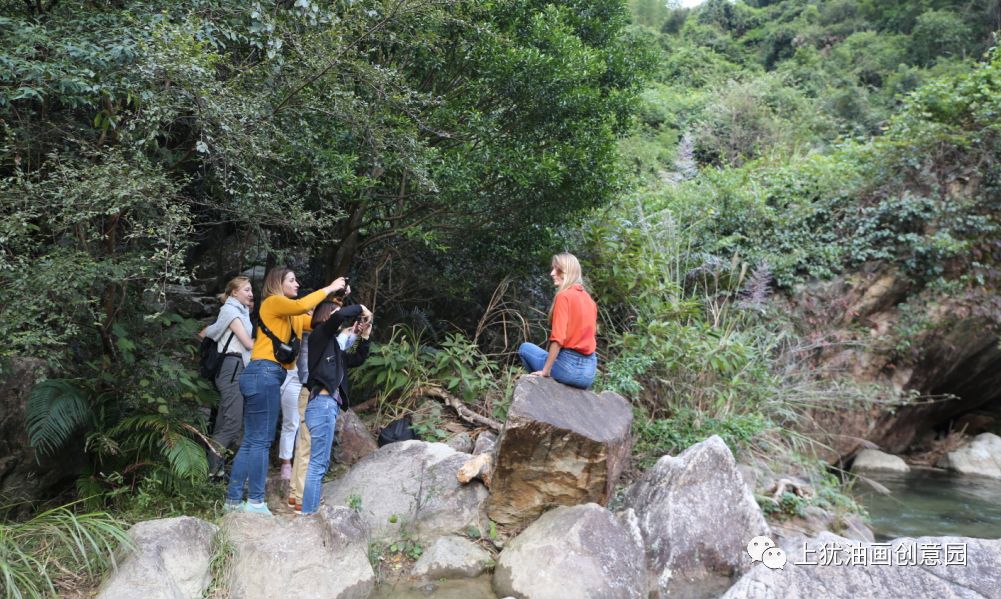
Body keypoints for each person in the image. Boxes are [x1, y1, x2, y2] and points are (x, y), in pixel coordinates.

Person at [223, 268, 347, 515]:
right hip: (264, 373)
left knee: (250, 441)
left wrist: (338, 299)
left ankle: (233, 500)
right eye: (292, 280)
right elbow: (303, 305)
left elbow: (320, 322)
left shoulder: (289, 315)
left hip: (263, 375)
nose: (297, 283)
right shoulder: (273, 303)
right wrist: (330, 287)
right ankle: (256, 501)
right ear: (277, 283)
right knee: (260, 441)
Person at [300, 301, 372, 515]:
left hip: (327, 406)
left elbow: (358, 358)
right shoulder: (320, 335)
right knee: (317, 465)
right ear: (325, 316)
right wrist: (361, 308)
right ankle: (308, 515)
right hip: (322, 404)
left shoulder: (333, 348)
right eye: (332, 311)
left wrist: (364, 335)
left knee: (319, 464)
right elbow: (339, 316)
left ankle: (309, 513)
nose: (338, 315)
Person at [518, 252, 598, 389]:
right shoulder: (590, 301)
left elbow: (558, 339)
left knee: (525, 349)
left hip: (568, 369)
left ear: (568, 271)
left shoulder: (564, 296)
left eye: (557, 269)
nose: (552, 273)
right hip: (588, 374)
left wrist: (546, 371)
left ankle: (541, 390)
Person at [202, 276, 255, 478]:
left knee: (224, 422)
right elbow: (248, 344)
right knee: (232, 423)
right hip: (231, 368)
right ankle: (213, 471)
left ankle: (215, 469)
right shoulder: (231, 312)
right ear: (234, 292)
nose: (251, 294)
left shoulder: (240, 312)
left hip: (234, 367)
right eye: (246, 290)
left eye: (251, 290)